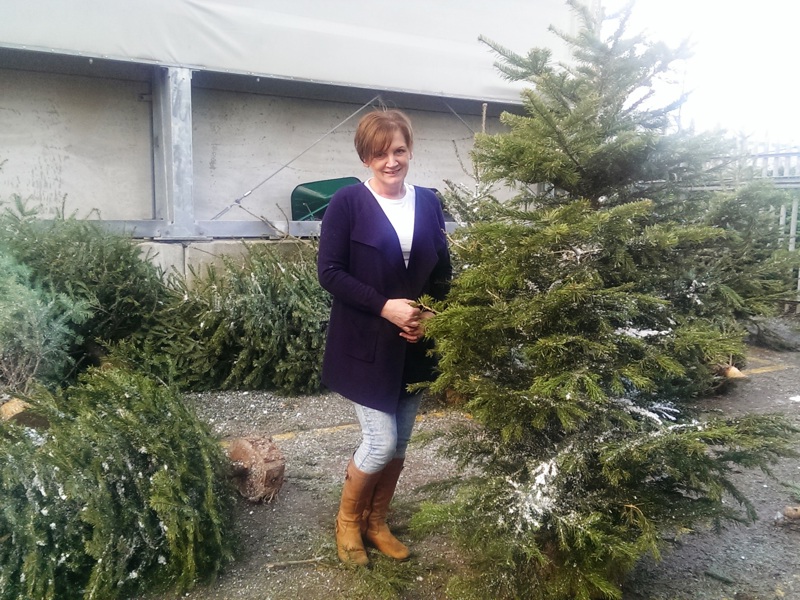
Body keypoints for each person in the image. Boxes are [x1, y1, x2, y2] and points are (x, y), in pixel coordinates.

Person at [317, 109, 452, 566]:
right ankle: (348, 522)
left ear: (409, 150)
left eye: (398, 150)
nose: (391, 161)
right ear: (366, 157)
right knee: (379, 443)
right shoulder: (348, 203)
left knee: (400, 444)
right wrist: (384, 306)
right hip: (366, 343)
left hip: (415, 344)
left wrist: (432, 315)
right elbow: (330, 272)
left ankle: (376, 522)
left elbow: (443, 272)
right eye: (379, 153)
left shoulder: (429, 202)